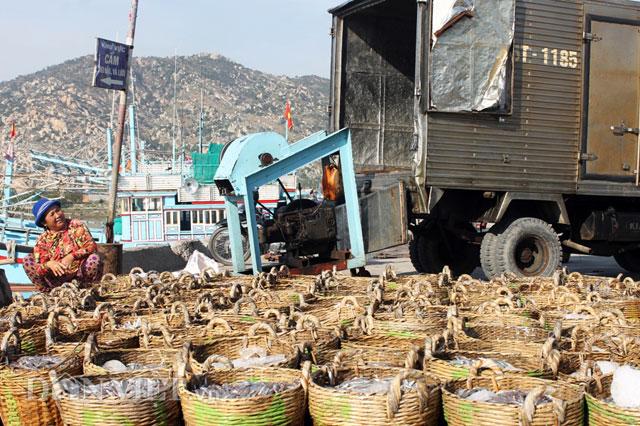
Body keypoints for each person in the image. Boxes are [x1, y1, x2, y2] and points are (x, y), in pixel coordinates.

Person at [23, 198, 103, 292]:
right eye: (52, 214)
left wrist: (72, 256)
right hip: (55, 282)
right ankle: (47, 292)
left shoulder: (76, 226)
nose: (57, 215)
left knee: (94, 258)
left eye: (58, 211)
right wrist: (48, 264)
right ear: (44, 222)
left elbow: (91, 246)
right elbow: (38, 268)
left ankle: (88, 290)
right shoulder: (42, 240)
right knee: (27, 259)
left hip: (79, 276)